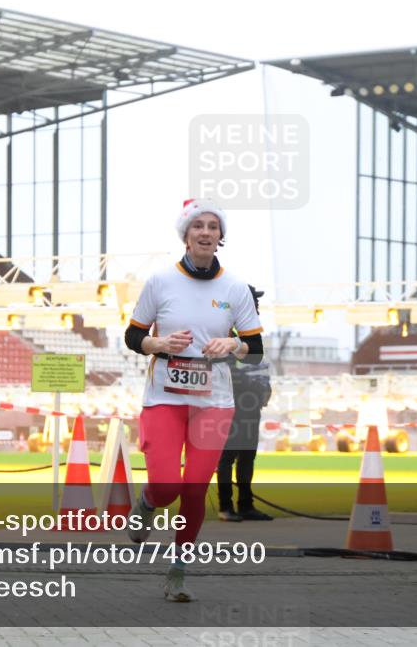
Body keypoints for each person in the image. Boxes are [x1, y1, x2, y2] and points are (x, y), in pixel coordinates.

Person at [123, 198, 264, 602]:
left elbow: (255, 347)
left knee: (195, 488)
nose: (205, 232)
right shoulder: (160, 282)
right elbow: (133, 337)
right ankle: (148, 502)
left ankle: (177, 571)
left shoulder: (235, 287)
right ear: (185, 235)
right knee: (167, 485)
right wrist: (158, 342)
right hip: (164, 397)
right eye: (197, 226)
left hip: (215, 400)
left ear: (221, 238)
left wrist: (232, 344)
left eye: (213, 227)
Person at [217, 285, 274, 522]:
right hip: (231, 402)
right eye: (253, 301)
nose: (257, 306)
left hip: (251, 404)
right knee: (227, 456)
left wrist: (264, 390)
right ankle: (225, 506)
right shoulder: (225, 331)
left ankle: (245, 505)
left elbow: (261, 366)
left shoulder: (252, 331)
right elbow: (224, 369)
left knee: (247, 455)